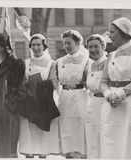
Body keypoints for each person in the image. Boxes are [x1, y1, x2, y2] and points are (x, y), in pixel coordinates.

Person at [19, 34, 60, 158]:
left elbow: (54, 83)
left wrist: (37, 86)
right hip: (29, 104)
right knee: (29, 138)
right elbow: (20, 83)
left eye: (38, 45)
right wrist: (27, 86)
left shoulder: (51, 63)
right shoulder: (25, 63)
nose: (36, 47)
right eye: (33, 45)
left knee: (43, 139)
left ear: (44, 46)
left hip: (44, 103)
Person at [99, 17, 131, 159]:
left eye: (112, 32)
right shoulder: (112, 55)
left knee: (128, 141)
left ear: (123, 32)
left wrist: (120, 94)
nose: (109, 35)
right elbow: (103, 80)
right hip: (110, 104)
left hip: (129, 103)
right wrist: (108, 94)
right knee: (110, 142)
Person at [56, 30, 92, 158]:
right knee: (66, 127)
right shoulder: (59, 62)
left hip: (80, 96)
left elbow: (91, 82)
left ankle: (80, 154)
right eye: (64, 43)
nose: (66, 46)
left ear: (78, 42)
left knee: (79, 126)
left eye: (69, 43)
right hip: (64, 97)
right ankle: (69, 155)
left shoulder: (86, 60)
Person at [85, 34, 107, 158]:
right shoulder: (89, 66)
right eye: (90, 47)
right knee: (92, 136)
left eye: (96, 46)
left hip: (106, 104)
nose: (93, 50)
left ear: (103, 46)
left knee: (104, 136)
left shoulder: (109, 62)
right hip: (92, 104)